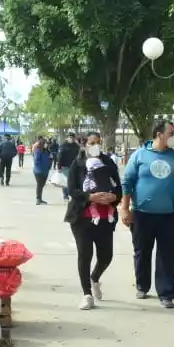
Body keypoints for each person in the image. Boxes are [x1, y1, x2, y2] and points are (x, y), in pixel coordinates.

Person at [120, 120, 174, 309]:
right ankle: (142, 285)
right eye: (171, 132)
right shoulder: (140, 155)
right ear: (159, 134)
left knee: (168, 254)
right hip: (142, 213)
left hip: (169, 214)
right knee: (142, 251)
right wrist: (125, 208)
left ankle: (166, 293)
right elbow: (127, 183)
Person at [65, 132, 122, 309]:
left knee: (106, 255)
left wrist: (114, 197)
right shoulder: (78, 163)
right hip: (82, 218)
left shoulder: (109, 162)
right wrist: (90, 197)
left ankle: (95, 277)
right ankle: (87, 294)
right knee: (85, 255)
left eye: (98, 142)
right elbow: (72, 189)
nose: (95, 145)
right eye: (92, 142)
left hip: (106, 218)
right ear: (85, 144)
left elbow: (118, 187)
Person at [56, 133, 80, 201]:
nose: (71, 138)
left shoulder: (76, 146)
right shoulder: (63, 146)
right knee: (65, 181)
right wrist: (59, 166)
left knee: (73, 181)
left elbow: (79, 156)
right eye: (70, 137)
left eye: (72, 137)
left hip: (75, 166)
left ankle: (72, 194)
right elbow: (59, 156)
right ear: (67, 138)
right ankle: (65, 195)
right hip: (65, 166)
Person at [33, 137, 51, 205]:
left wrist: (49, 165)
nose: (47, 144)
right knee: (39, 185)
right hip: (39, 171)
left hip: (45, 170)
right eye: (45, 143)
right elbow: (36, 161)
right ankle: (38, 199)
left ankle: (40, 198)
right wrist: (40, 168)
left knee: (42, 185)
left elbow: (50, 158)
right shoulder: (37, 150)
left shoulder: (47, 151)